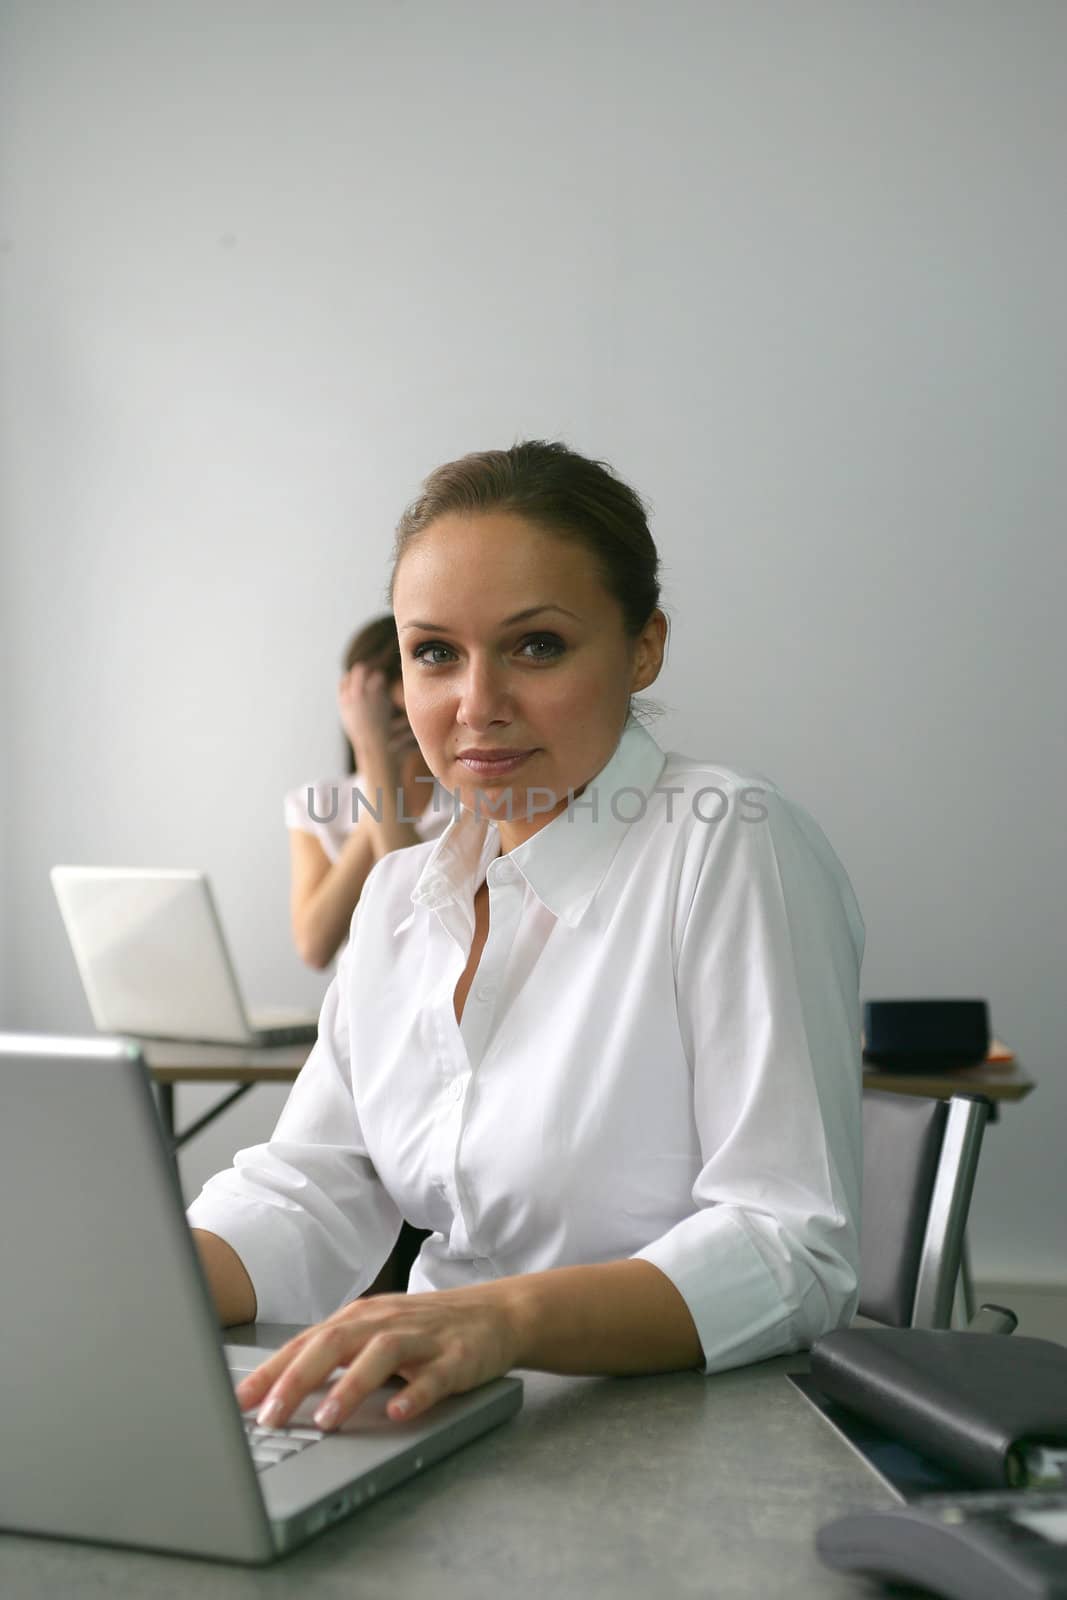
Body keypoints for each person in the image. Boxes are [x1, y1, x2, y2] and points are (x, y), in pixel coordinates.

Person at [189, 439, 866, 1435]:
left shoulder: (727, 843)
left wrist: (497, 1318)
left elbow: (790, 1244)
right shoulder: (394, 897)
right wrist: (130, 1276)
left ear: (642, 647)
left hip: (675, 1433)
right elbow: (316, 1189)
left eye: (535, 645)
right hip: (442, 1411)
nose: (475, 706)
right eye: (433, 653)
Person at [285, 616, 450, 970]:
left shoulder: (474, 800)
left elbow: (417, 919)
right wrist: (377, 772)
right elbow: (314, 947)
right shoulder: (317, 803)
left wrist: (376, 766)